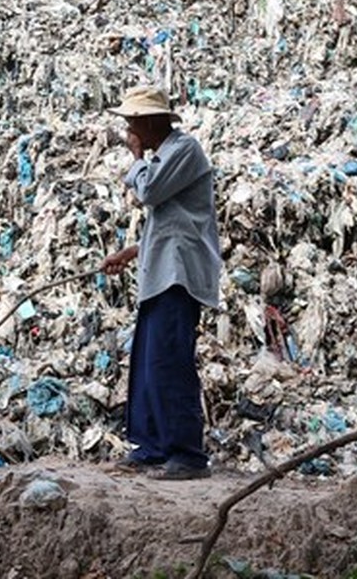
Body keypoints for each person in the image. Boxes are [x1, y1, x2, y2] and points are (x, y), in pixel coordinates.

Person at [101, 85, 222, 480]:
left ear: (152, 121)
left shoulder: (183, 150)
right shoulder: (164, 157)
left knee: (170, 363)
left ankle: (186, 455)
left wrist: (135, 158)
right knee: (149, 364)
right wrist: (130, 253)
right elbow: (169, 223)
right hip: (160, 274)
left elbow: (149, 193)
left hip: (179, 276)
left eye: (133, 122)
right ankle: (151, 447)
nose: (130, 130)